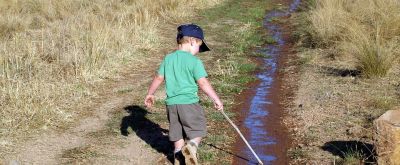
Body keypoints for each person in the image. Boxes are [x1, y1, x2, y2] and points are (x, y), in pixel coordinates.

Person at [144, 23, 223, 165]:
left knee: (177, 133)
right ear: (193, 41)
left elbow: (159, 77)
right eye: (199, 46)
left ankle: (178, 156)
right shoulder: (194, 61)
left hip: (172, 105)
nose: (199, 51)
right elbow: (203, 83)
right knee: (197, 130)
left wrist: (150, 93)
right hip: (189, 103)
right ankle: (191, 147)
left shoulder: (168, 59)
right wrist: (216, 99)